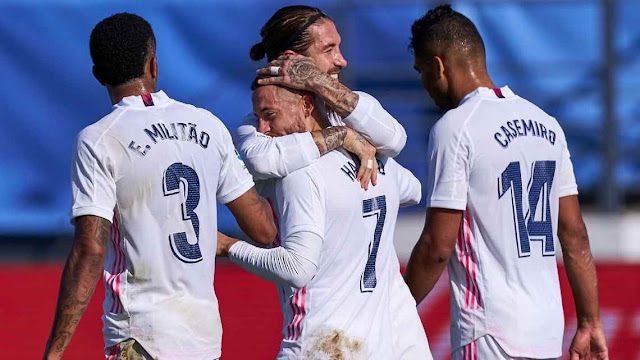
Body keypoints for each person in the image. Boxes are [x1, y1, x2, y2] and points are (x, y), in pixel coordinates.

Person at [43, 13, 275, 360]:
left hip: (141, 336)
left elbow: (90, 249)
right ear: (154, 65)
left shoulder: (99, 139)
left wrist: (54, 352)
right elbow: (263, 230)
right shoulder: (207, 125)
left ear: (97, 75)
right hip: (203, 337)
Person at [403, 5, 608, 360]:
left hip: (488, 331)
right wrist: (590, 322)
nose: (425, 85)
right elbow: (575, 236)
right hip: (546, 332)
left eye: (423, 73)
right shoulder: (547, 125)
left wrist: (396, 310)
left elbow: (438, 247)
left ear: (438, 66)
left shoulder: (455, 128)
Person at [217, 79, 432, 359]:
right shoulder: (374, 162)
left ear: (306, 105)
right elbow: (413, 190)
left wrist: (227, 246)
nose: (262, 129)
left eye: (269, 116)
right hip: (373, 345)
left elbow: (297, 269)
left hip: (317, 343)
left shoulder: (298, 172)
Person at [234, 5, 408, 189]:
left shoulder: (348, 108)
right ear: (292, 59)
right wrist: (342, 135)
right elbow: (259, 162)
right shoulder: (256, 125)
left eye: (338, 47)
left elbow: (394, 142)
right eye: (328, 50)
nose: (342, 61)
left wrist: (317, 80)